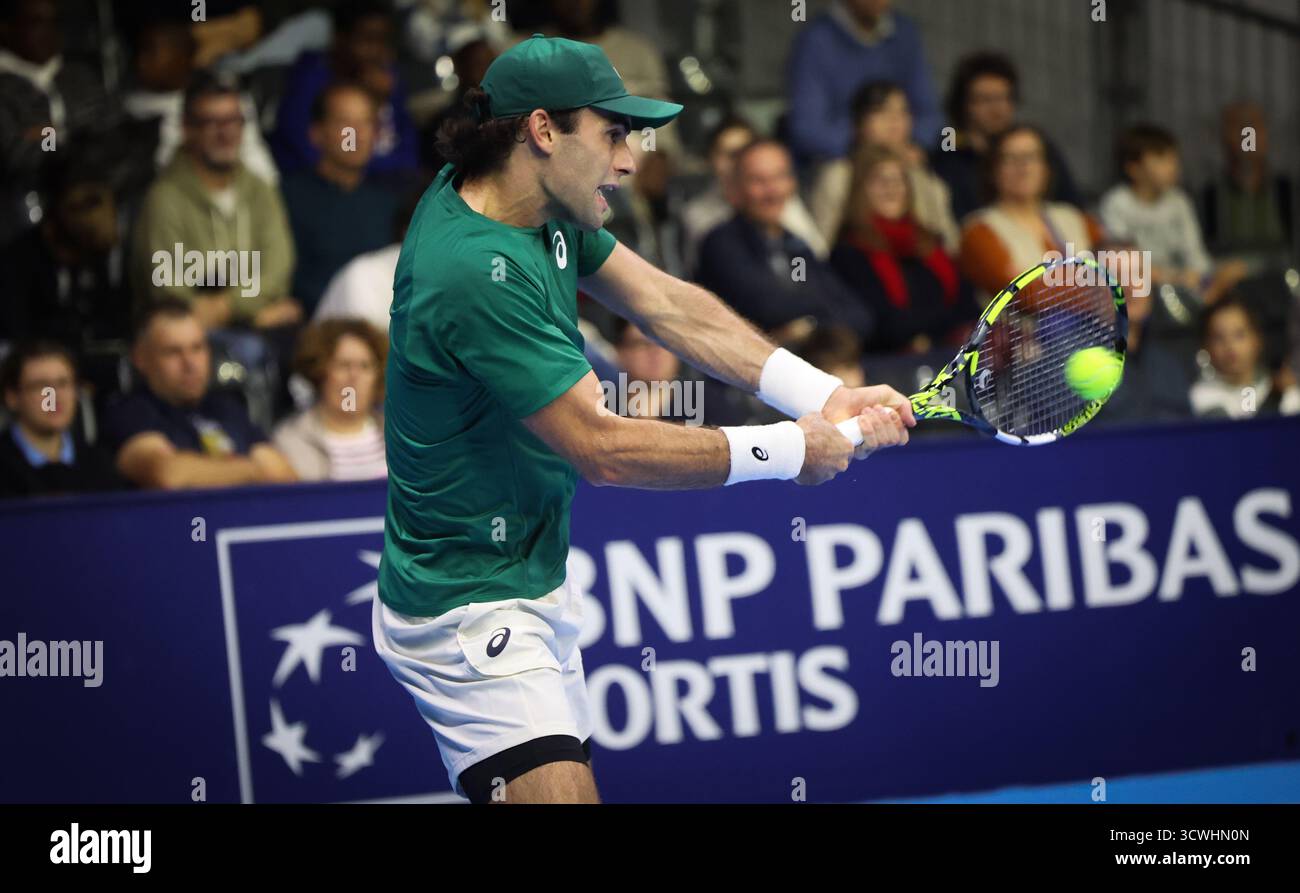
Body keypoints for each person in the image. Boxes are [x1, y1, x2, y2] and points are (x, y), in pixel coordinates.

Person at [373, 35, 913, 806]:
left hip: (534, 576)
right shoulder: (473, 272)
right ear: (542, 130)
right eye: (614, 134)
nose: (630, 160)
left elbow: (664, 304)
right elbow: (603, 446)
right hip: (466, 604)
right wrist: (792, 448)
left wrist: (820, 394)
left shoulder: (529, 198)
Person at [130, 72, 301, 332]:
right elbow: (166, 289)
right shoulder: (164, 198)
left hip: (258, 335)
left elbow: (278, 270)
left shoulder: (260, 190)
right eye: (212, 122)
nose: (225, 133)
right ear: (187, 128)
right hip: (186, 336)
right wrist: (250, 315)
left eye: (233, 121)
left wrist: (224, 309)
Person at [102, 298, 297, 490]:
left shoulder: (225, 407)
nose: (190, 364)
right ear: (141, 359)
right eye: (173, 352)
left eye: (197, 348)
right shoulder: (130, 411)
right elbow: (169, 475)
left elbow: (285, 475)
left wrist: (208, 471)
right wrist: (253, 470)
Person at [695, 138, 875, 346]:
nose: (772, 191)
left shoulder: (796, 246)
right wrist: (820, 315)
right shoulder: (722, 243)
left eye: (780, 177)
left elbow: (858, 314)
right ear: (736, 189)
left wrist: (809, 325)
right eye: (758, 181)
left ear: (792, 183)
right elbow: (767, 307)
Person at [830, 146, 965, 353]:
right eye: (879, 181)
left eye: (898, 180)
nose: (890, 188)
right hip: (892, 365)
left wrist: (933, 329)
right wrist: (941, 324)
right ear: (860, 189)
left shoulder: (928, 240)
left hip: (949, 353)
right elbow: (886, 325)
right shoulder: (848, 252)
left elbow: (966, 304)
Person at [281, 82, 399, 313]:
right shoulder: (287, 198)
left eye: (366, 123)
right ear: (316, 134)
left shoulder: (389, 203)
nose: (358, 134)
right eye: (346, 123)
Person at [270, 0, 419, 182]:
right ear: (340, 39)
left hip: (379, 188)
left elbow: (408, 157)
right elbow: (309, 152)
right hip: (317, 187)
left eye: (383, 41)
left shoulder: (386, 79)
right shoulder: (311, 77)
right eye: (367, 40)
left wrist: (381, 104)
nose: (376, 52)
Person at [1099, 124, 1245, 307]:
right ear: (1133, 168)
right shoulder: (1116, 203)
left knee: (1236, 271)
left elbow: (1195, 254)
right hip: (1140, 293)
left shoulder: (1179, 202)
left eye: (1174, 158)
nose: (1173, 166)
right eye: (1161, 158)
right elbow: (1121, 264)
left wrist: (1210, 276)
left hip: (1184, 286)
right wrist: (1175, 277)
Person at [122, 18, 279, 185]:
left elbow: (260, 166)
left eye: (153, 51)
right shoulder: (125, 111)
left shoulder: (223, 95)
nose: (143, 62)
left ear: (184, 55)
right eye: (141, 51)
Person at [930, 52, 1081, 223]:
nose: (997, 109)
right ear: (964, 104)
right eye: (985, 99)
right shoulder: (950, 153)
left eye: (1004, 98)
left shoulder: (1036, 146)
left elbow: (1072, 205)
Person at [959, 125, 1104, 301]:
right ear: (992, 170)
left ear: (1046, 169)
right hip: (1020, 327)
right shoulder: (978, 230)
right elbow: (1028, 295)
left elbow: (1124, 271)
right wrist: (1096, 289)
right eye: (1010, 158)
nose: (1023, 167)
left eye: (1031, 157)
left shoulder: (1073, 217)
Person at [809, 80, 959, 251]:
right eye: (881, 111)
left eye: (903, 112)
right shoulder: (840, 175)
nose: (894, 120)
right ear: (858, 123)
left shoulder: (922, 175)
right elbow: (821, 247)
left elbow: (948, 242)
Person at [786, 0, 942, 163]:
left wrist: (916, 145)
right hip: (840, 161)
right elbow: (808, 130)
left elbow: (930, 114)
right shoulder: (815, 39)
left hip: (901, 157)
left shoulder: (905, 32)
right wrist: (869, 146)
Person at [680, 116, 826, 274]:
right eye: (729, 154)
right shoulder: (697, 216)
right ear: (711, 159)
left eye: (745, 152)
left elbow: (813, 257)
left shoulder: (779, 201)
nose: (737, 163)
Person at [0, 340, 123, 499]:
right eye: (41, 386)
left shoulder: (99, 464)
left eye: (63, 384)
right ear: (12, 397)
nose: (54, 397)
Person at [272, 318, 387, 480]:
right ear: (320, 372)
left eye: (365, 366)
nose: (354, 376)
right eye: (343, 365)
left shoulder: (403, 437)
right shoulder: (290, 440)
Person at [1202, 101, 1295, 261]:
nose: (1248, 135)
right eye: (1241, 127)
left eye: (1254, 126)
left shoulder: (1289, 192)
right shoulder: (1207, 199)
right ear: (1224, 135)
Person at [1190, 296, 1299, 419]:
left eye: (1239, 335)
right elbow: (1244, 432)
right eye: (1219, 338)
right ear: (1206, 346)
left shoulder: (1282, 387)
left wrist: (1289, 393)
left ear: (1257, 340)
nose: (1230, 346)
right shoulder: (1203, 393)